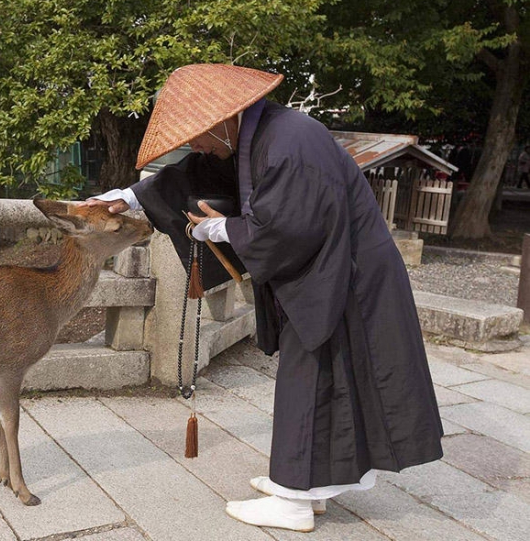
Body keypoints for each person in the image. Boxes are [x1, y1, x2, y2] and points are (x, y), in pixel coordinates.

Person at [86, 64, 443, 533]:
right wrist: (129, 198)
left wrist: (226, 227)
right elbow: (199, 172)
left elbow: (291, 227)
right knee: (327, 378)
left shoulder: (291, 142)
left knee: (310, 375)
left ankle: (293, 499)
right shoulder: (256, 134)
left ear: (223, 119)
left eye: (198, 135)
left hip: (345, 274)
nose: (196, 145)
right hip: (333, 267)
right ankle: (311, 486)